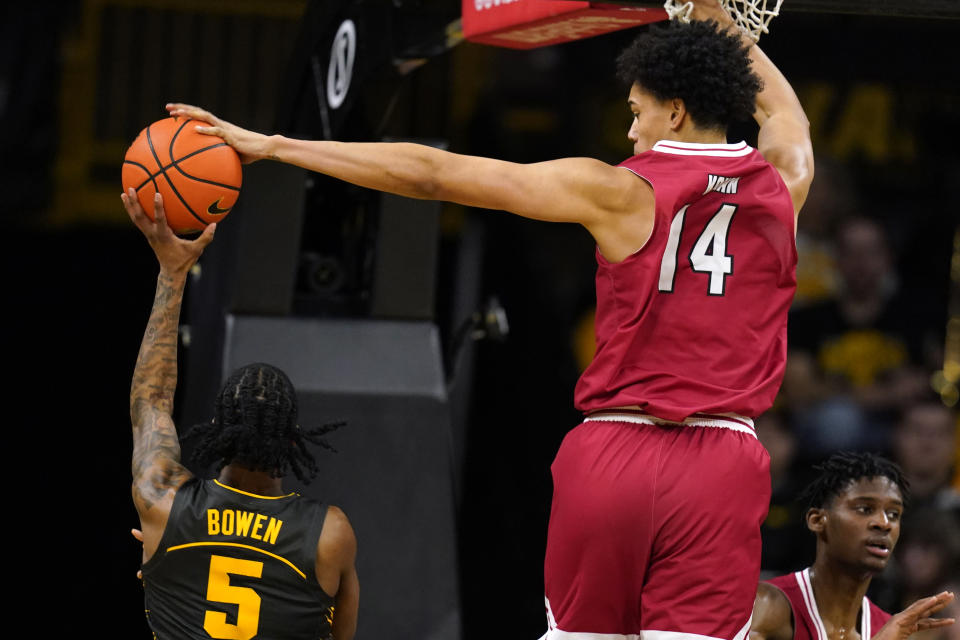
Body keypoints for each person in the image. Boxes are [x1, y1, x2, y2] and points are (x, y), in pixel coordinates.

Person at [165, 0, 812, 637]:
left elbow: (435, 175)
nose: (632, 132)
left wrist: (276, 146)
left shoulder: (620, 190)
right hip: (722, 458)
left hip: (616, 451)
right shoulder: (784, 184)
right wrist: (713, 20)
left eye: (637, 113)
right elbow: (784, 114)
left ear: (675, 110)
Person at [124, 190, 359, 640]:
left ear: (217, 432)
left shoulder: (163, 502)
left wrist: (172, 274)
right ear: (294, 441)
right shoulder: (331, 533)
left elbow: (150, 402)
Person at [750, 451, 955, 640]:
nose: (884, 523)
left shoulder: (888, 628)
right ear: (817, 520)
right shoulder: (767, 606)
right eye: (865, 509)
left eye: (893, 514)